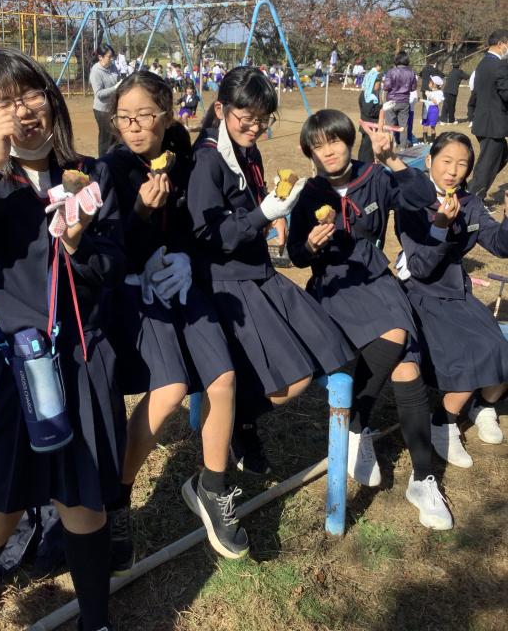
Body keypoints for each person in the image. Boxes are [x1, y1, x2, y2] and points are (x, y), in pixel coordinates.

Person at [0, 49, 127, 631]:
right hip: (5, 359)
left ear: (51, 99)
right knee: (0, 504)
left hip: (77, 357)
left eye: (29, 94)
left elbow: (113, 264)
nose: (21, 111)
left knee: (83, 502)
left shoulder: (88, 173)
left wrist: (80, 244)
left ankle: (95, 618)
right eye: (1, 104)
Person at [103, 70, 248, 564]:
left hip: (180, 281)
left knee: (223, 379)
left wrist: (185, 256)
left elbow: (196, 226)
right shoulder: (112, 169)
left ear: (167, 115)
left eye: (144, 115)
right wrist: (141, 214)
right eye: (124, 117)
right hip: (136, 290)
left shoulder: (185, 160)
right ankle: (117, 499)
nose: (134, 126)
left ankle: (212, 486)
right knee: (168, 391)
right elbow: (107, 248)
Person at [287, 109, 452, 530]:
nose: (328, 152)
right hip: (334, 285)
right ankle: (363, 430)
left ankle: (416, 473)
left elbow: (423, 198)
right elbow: (296, 256)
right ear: (309, 153)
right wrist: (310, 245)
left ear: (348, 141)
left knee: (407, 364)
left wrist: (393, 158)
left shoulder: (374, 176)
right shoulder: (308, 194)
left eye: (335, 141)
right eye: (318, 146)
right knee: (397, 339)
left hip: (375, 276)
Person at [187, 67, 353, 475]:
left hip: (257, 268)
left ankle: (239, 415)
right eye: (247, 119)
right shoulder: (207, 159)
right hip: (227, 280)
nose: (256, 128)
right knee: (293, 378)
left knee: (327, 344)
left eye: (264, 120)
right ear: (221, 109)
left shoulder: (248, 151)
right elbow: (207, 235)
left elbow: (251, 204)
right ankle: (238, 420)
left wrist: (272, 214)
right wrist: (261, 214)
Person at [396, 132, 508, 468]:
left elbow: (498, 244)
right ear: (429, 160)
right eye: (446, 161)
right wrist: (440, 226)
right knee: (467, 355)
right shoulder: (413, 201)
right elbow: (420, 266)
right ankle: (443, 422)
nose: (453, 171)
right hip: (423, 292)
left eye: (462, 164)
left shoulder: (469, 203)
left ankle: (482, 406)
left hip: (457, 290)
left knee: (500, 351)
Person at [468, 29, 508, 201]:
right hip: (493, 123)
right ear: (501, 44)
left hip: (484, 121)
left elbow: (476, 93)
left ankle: (473, 189)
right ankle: (473, 199)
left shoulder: (483, 63)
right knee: (487, 164)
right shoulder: (499, 65)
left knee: (501, 155)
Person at [90, 43, 121, 157]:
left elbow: (118, 80)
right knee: (106, 138)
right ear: (100, 57)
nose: (112, 59)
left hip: (113, 107)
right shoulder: (96, 71)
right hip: (102, 110)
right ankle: (103, 161)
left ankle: (113, 158)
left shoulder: (113, 67)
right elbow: (99, 94)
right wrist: (115, 88)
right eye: (109, 57)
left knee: (115, 135)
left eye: (113, 56)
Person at [383, 51, 418, 149]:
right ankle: (403, 147)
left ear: (397, 59)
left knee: (389, 125)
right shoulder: (411, 72)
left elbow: (386, 87)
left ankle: (391, 144)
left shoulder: (391, 71)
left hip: (391, 101)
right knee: (403, 125)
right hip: (404, 101)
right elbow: (413, 88)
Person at [357, 64, 383, 162]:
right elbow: (369, 111)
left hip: (367, 124)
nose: (379, 86)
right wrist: (382, 108)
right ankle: (365, 165)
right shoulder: (370, 96)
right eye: (378, 83)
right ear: (372, 83)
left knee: (365, 147)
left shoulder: (366, 93)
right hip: (370, 125)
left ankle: (362, 163)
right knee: (367, 149)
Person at [421, 75, 445, 143]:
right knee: (425, 125)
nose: (428, 84)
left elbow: (436, 102)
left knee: (432, 126)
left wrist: (429, 95)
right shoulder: (430, 92)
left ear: (434, 84)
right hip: (426, 109)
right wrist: (420, 100)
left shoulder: (439, 93)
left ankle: (432, 141)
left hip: (433, 110)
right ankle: (425, 140)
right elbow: (428, 102)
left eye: (430, 83)